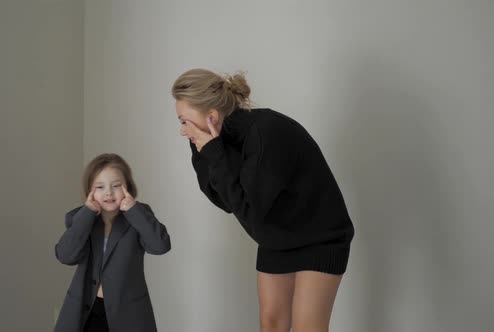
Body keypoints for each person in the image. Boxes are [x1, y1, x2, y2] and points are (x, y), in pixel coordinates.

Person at [171, 68, 354, 332]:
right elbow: (224, 201)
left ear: (211, 115)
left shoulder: (264, 133)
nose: (181, 130)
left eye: (184, 120)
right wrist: (205, 153)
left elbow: (248, 210)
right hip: (276, 237)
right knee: (271, 325)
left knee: (308, 328)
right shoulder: (218, 140)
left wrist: (213, 152)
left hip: (320, 238)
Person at [53, 153, 171, 332]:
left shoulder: (138, 216)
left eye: (116, 185)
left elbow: (160, 246)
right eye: (99, 187)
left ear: (128, 187)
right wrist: (87, 214)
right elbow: (65, 256)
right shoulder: (80, 218)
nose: (108, 192)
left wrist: (133, 210)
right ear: (89, 191)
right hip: (86, 310)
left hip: (128, 313)